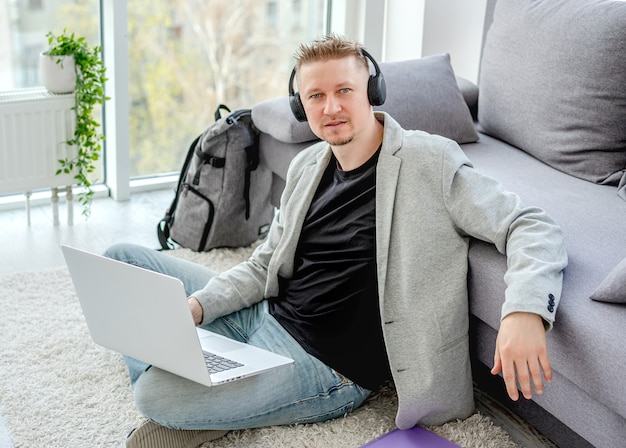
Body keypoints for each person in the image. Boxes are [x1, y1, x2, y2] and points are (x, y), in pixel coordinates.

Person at [107, 35, 567, 448]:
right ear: (300, 106)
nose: (331, 108)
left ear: (372, 91)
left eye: (344, 90)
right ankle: (210, 398)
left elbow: (529, 224)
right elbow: (264, 263)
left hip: (324, 364)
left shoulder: (429, 161)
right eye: (316, 96)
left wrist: (525, 310)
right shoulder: (308, 164)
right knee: (121, 261)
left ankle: (197, 409)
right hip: (265, 312)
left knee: (155, 394)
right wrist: (201, 307)